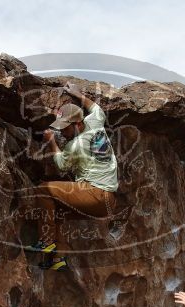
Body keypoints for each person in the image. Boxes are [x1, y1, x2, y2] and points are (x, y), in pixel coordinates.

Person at [28, 81, 119, 271]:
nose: (62, 131)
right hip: (108, 201)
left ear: (78, 124)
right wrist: (78, 94)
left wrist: (52, 142)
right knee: (57, 212)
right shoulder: (95, 122)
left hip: (95, 194)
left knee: (43, 189)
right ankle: (58, 259)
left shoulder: (76, 145)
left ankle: (46, 242)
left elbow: (61, 165)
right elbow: (96, 109)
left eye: (65, 128)